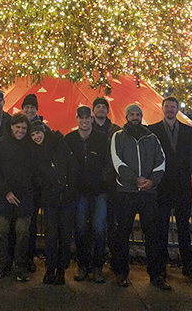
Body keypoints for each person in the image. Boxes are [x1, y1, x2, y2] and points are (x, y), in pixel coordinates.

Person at [110, 103, 168, 289]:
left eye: (138, 114)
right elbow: (117, 161)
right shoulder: (118, 136)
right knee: (122, 233)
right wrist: (134, 179)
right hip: (126, 192)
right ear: (126, 117)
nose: (135, 117)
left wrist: (152, 181)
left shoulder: (152, 138)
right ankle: (120, 272)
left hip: (148, 193)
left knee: (152, 233)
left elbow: (161, 161)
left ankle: (156, 274)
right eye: (132, 114)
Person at [148, 96, 192, 282]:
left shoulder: (189, 131)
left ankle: (188, 266)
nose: (170, 109)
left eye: (173, 107)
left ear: (177, 109)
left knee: (184, 229)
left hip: (182, 186)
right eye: (167, 106)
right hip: (162, 187)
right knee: (160, 229)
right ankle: (161, 266)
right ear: (162, 108)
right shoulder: (152, 130)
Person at [0, 113, 36, 282]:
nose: (21, 131)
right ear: (11, 127)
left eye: (24, 128)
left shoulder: (31, 145)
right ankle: (0, 265)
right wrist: (6, 191)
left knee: (23, 232)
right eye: (18, 127)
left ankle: (20, 266)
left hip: (25, 197)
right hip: (4, 197)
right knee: (1, 231)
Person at [65, 105, 110, 283]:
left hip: (99, 191)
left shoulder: (102, 138)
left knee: (99, 229)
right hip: (79, 192)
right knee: (81, 229)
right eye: (81, 117)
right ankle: (83, 265)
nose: (84, 120)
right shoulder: (70, 139)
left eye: (87, 117)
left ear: (92, 119)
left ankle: (98, 267)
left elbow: (108, 162)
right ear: (77, 119)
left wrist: (103, 180)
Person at [32, 122, 78, 285]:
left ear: (44, 131)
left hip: (66, 197)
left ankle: (61, 269)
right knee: (50, 236)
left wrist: (68, 188)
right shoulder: (35, 152)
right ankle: (50, 268)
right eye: (33, 135)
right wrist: (46, 187)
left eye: (38, 133)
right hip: (49, 199)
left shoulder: (60, 144)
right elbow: (36, 175)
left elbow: (72, 167)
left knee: (65, 236)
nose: (36, 137)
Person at [92, 96, 120, 258]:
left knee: (112, 222)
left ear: (108, 111)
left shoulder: (115, 130)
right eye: (98, 107)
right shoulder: (88, 128)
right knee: (97, 223)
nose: (101, 109)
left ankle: (111, 255)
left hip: (113, 182)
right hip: (95, 183)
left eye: (104, 107)